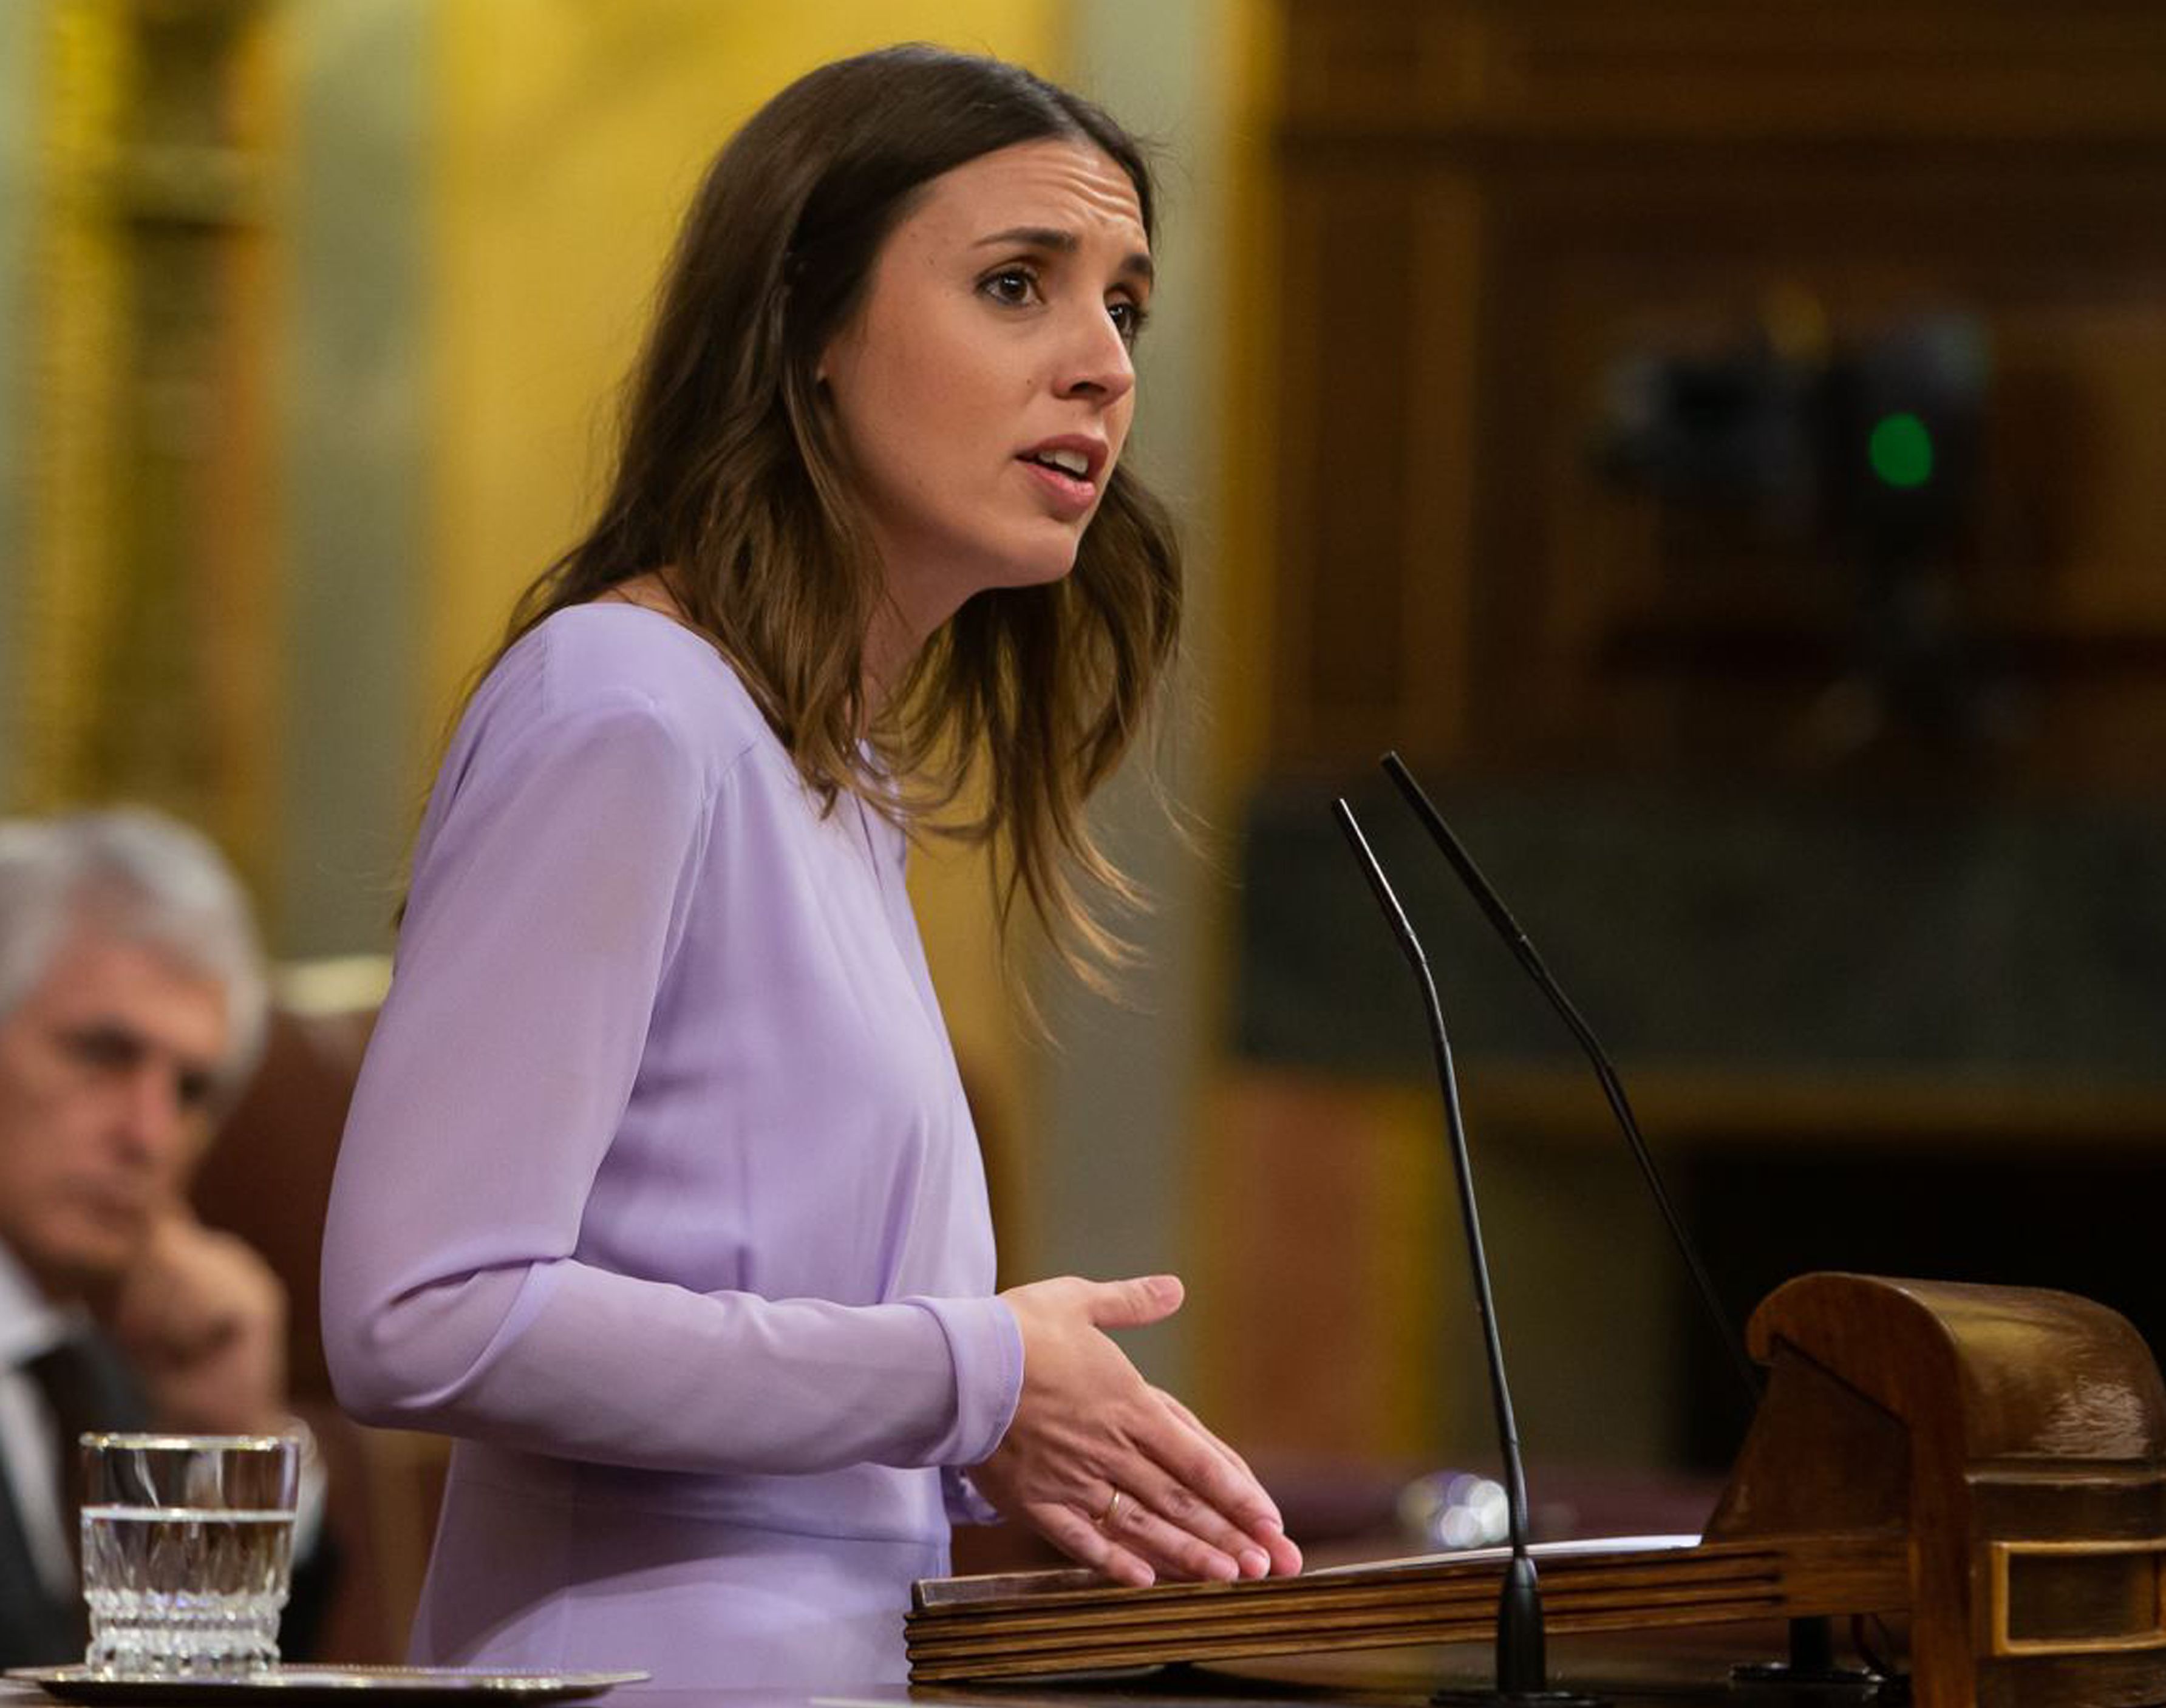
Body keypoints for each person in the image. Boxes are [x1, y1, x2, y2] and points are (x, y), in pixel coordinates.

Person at [319, 43, 1302, 1691]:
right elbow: (422, 1307)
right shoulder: (625, 704)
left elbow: (788, 1358)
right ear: (805, 326)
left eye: (1125, 308)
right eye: (1014, 285)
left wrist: (991, 1423)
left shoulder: (829, 774)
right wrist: (965, 1375)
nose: (1101, 366)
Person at [0, 807, 324, 1663]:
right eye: (103, 1052)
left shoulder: (122, 1369)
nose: (149, 1134)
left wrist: (227, 1444)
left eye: (190, 1091)